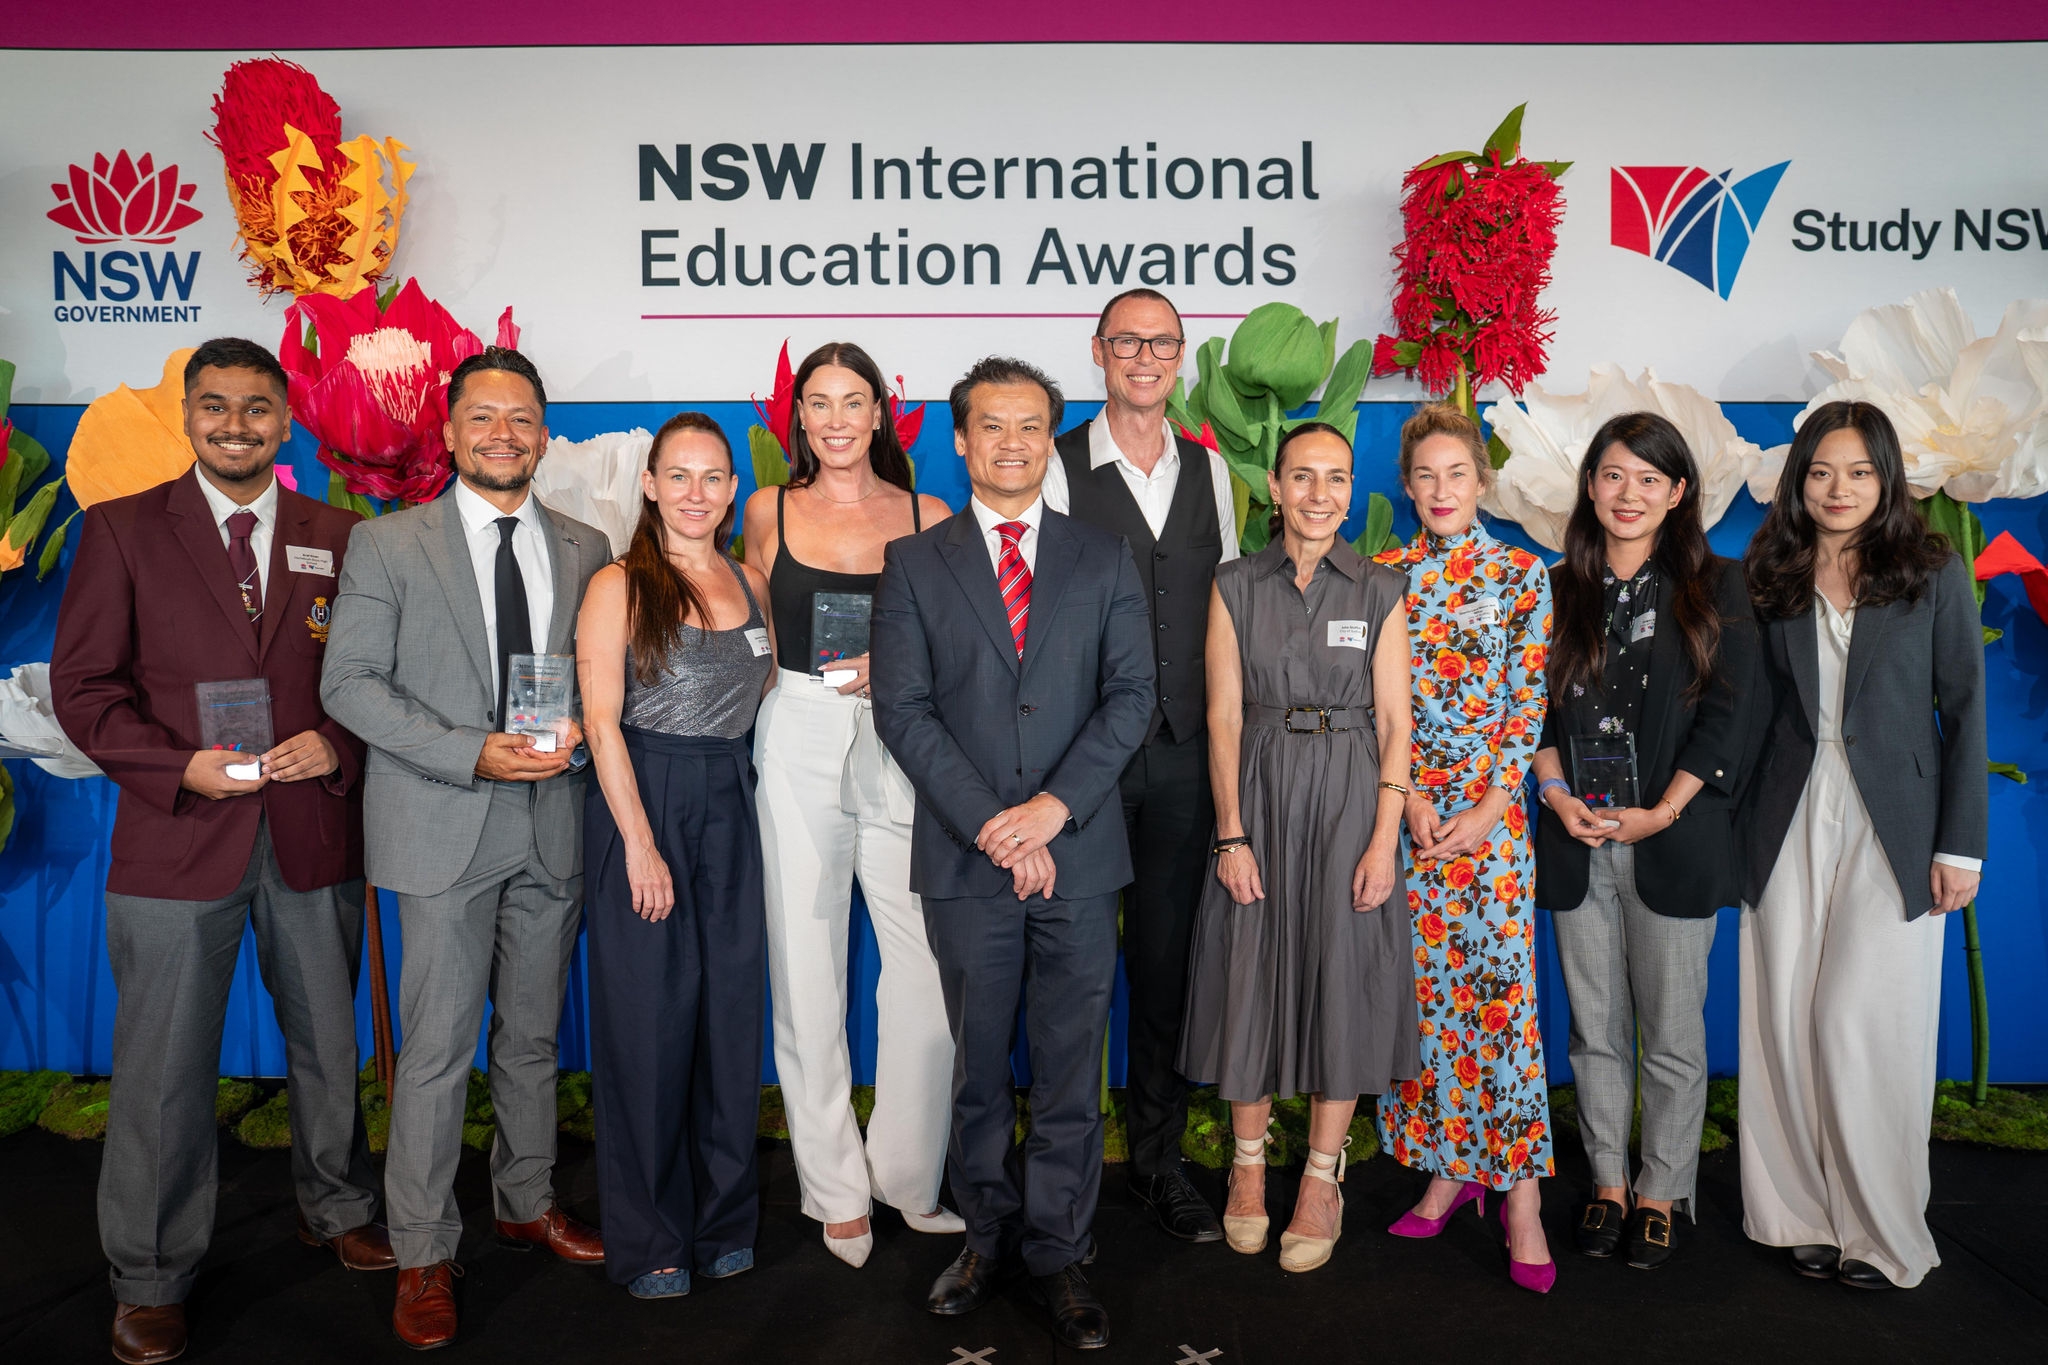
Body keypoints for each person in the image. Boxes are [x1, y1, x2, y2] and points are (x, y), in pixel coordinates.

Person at [53, 337, 391, 1365]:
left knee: (329, 1051)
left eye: (256, 408)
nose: (235, 425)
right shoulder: (119, 532)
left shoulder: (345, 535)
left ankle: (334, 1209)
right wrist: (174, 767)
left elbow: (378, 682)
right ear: (188, 416)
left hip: (309, 831)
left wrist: (334, 743)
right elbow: (83, 691)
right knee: (160, 1069)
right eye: (215, 407)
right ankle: (150, 1275)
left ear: (286, 422)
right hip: (177, 835)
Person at [320, 346, 615, 1349]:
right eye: (482, 417)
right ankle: (423, 1253)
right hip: (442, 824)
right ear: (447, 433)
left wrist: (579, 725)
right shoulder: (390, 545)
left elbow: (596, 676)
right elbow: (349, 686)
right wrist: (471, 754)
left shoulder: (585, 543)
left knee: (531, 1041)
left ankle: (524, 1201)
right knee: (438, 1053)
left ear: (543, 432)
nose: (502, 434)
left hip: (552, 827)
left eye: (521, 418)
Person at [871, 357, 1154, 1351]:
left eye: (1030, 426)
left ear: (1050, 437)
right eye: (989, 426)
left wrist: (1049, 812)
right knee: (979, 1068)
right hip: (964, 860)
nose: (1010, 442)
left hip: (1077, 859)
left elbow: (1131, 698)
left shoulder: (1102, 557)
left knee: (1074, 1070)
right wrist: (997, 826)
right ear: (958, 439)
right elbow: (902, 712)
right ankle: (986, 1239)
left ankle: (1059, 1252)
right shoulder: (915, 563)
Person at [1738, 400, 1986, 1291]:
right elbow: (1749, 716)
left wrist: (1963, 845)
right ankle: (1800, 1211)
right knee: (1783, 1016)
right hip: (1783, 817)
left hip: (1897, 820)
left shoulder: (1931, 571)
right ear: (1798, 481)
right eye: (1820, 471)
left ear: (1886, 479)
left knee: (1860, 1020)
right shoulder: (1767, 572)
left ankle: (1883, 1230)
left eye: (1858, 471)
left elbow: (1963, 710)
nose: (1838, 489)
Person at [740, 342, 961, 1269]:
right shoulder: (765, 510)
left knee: (924, 967)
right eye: (818, 403)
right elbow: (746, 627)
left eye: (853, 401)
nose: (835, 419)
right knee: (806, 964)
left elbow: (964, 641)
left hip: (903, 738)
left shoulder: (929, 513)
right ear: (800, 419)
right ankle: (833, 1187)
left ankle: (907, 1175)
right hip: (796, 729)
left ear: (882, 413)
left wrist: (902, 672)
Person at [1178, 422, 1416, 1273]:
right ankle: (1247, 1171)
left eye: (1338, 478)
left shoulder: (1382, 587)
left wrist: (1385, 840)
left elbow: (1396, 723)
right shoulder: (1235, 583)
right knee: (1250, 968)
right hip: (1264, 793)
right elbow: (1224, 715)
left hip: (1353, 798)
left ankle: (1321, 1177)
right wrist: (1232, 831)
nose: (1320, 494)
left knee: (1341, 975)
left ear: (1353, 490)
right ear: (1274, 488)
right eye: (1303, 477)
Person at [1528, 412, 1760, 1270]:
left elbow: (1733, 718)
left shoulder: (1718, 585)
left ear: (1679, 493)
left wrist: (1662, 810)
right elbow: (1535, 717)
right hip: (1577, 836)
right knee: (1593, 1031)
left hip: (1673, 835)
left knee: (1670, 1034)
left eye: (1650, 479)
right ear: (1591, 485)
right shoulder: (1555, 590)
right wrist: (1554, 794)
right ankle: (1607, 1185)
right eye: (1614, 476)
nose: (1630, 495)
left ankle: (1661, 1191)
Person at [1045, 288, 1236, 1244]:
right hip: (1082, 766)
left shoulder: (1214, 475)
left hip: (1182, 762)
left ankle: (1158, 1165)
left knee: (1163, 969)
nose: (1146, 357)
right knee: (1074, 976)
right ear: (1099, 353)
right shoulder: (1056, 464)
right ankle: (1063, 1175)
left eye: (1162, 342)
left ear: (1181, 355)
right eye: (1128, 342)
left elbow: (1228, 621)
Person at [578, 412, 775, 1299]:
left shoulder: (752, 579)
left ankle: (727, 1218)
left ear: (732, 489)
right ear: (650, 485)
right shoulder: (618, 584)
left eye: (714, 477)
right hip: (645, 798)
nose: (697, 493)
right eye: (679, 475)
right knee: (648, 1030)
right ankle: (652, 1235)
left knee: (730, 1023)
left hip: (731, 802)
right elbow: (601, 721)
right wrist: (641, 845)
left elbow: (767, 688)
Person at [1374, 402, 1557, 1294]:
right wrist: (1404, 799)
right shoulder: (1384, 575)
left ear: (1481, 479)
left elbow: (1529, 706)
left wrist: (1488, 808)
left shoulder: (1525, 573)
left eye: (1456, 473)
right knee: (1427, 1004)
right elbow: (1379, 707)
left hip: (1493, 828)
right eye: (1424, 475)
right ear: (1405, 486)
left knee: (1500, 1006)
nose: (1441, 490)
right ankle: (1449, 1168)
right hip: (1404, 822)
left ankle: (1519, 1193)